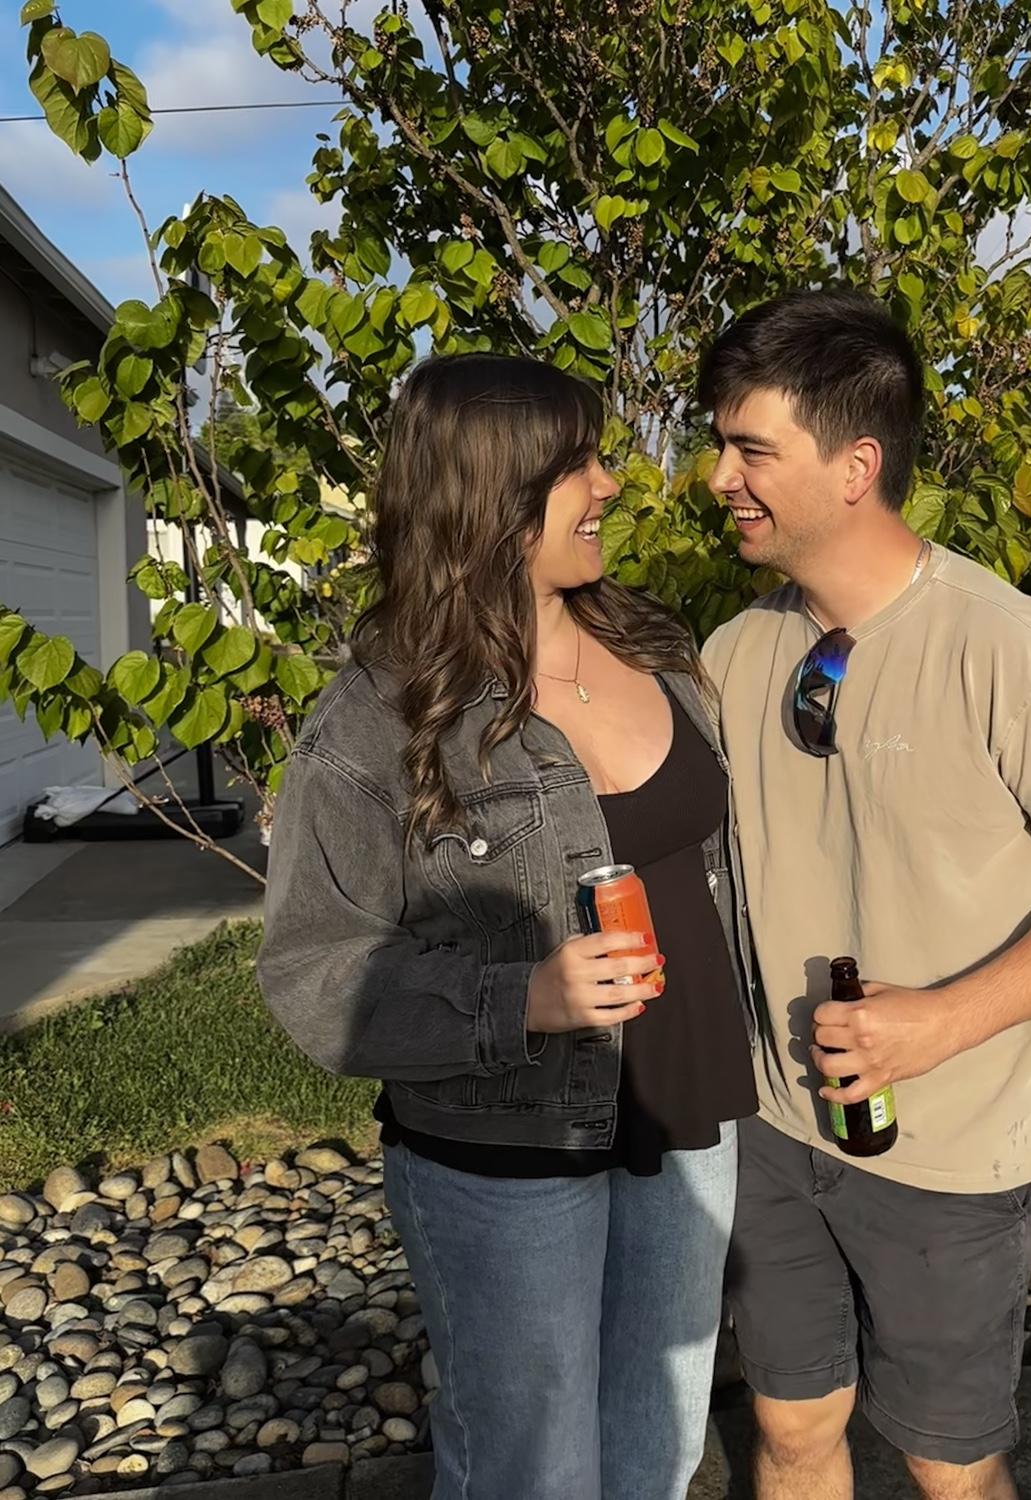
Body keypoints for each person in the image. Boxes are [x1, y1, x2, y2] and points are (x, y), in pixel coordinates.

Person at [698, 289, 1031, 1500]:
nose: (718, 478)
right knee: (791, 1427)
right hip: (772, 1125)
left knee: (948, 1463)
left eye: (751, 449)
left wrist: (939, 1024)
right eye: (720, 445)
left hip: (955, 1150)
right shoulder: (735, 653)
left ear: (856, 466)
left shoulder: (1016, 653)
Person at [257, 353, 758, 1500]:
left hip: (690, 1119)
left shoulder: (655, 647)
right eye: (578, 465)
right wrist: (522, 998)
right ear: (489, 495)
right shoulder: (380, 717)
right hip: (510, 1158)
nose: (611, 485)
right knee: (533, 1474)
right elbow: (314, 970)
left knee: (659, 1454)